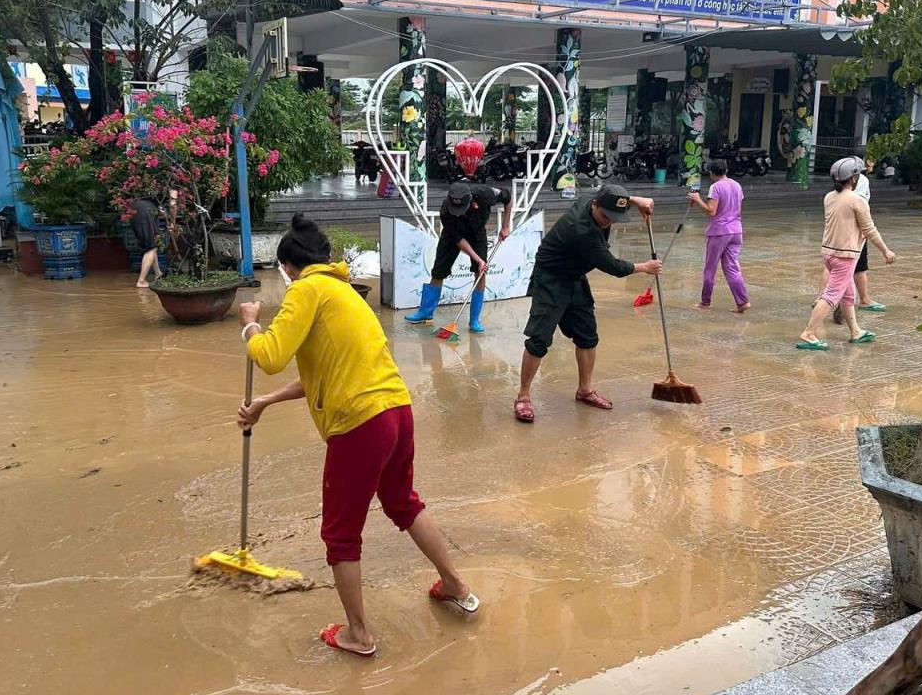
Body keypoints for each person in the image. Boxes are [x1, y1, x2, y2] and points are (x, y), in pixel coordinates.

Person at [238, 214, 478, 658]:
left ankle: (359, 634)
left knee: (341, 534)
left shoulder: (306, 289)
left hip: (360, 425)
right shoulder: (343, 293)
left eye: (286, 273)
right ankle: (455, 585)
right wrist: (265, 404)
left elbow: (269, 355)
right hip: (396, 411)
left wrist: (250, 323)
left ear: (290, 268)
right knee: (403, 502)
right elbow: (322, 376)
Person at [513, 185, 662, 423]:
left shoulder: (591, 200)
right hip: (551, 279)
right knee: (539, 339)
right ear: (595, 206)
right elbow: (613, 267)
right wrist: (645, 267)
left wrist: (636, 200)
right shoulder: (582, 230)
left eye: (614, 218)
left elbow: (606, 194)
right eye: (605, 216)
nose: (607, 223)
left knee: (587, 336)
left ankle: (585, 390)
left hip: (575, 277)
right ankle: (523, 397)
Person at [798, 158, 897, 351]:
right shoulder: (857, 201)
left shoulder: (829, 197)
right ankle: (809, 333)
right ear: (853, 178)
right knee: (832, 295)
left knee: (848, 294)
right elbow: (870, 230)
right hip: (845, 256)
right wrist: (886, 250)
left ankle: (855, 331)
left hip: (828, 252)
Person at [404, 183, 513, 332]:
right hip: (453, 236)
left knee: (480, 274)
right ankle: (425, 312)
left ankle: (474, 320)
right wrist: (479, 260)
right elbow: (458, 240)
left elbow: (508, 198)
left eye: (461, 210)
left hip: (476, 233)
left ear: (469, 201)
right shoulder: (445, 210)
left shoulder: (485, 194)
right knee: (438, 271)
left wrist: (506, 226)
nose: (458, 213)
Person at [688, 159, 749, 313]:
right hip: (736, 230)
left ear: (711, 173)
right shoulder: (737, 185)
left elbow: (711, 210)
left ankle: (705, 301)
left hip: (720, 231)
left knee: (710, 268)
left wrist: (697, 200)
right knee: (732, 267)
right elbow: (737, 209)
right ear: (726, 170)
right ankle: (742, 302)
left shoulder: (715, 187)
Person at [131, 197, 164, 289]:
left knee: (153, 244)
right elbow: (173, 203)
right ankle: (141, 281)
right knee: (151, 247)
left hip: (135, 208)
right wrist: (173, 221)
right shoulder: (170, 185)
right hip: (146, 211)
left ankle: (158, 273)